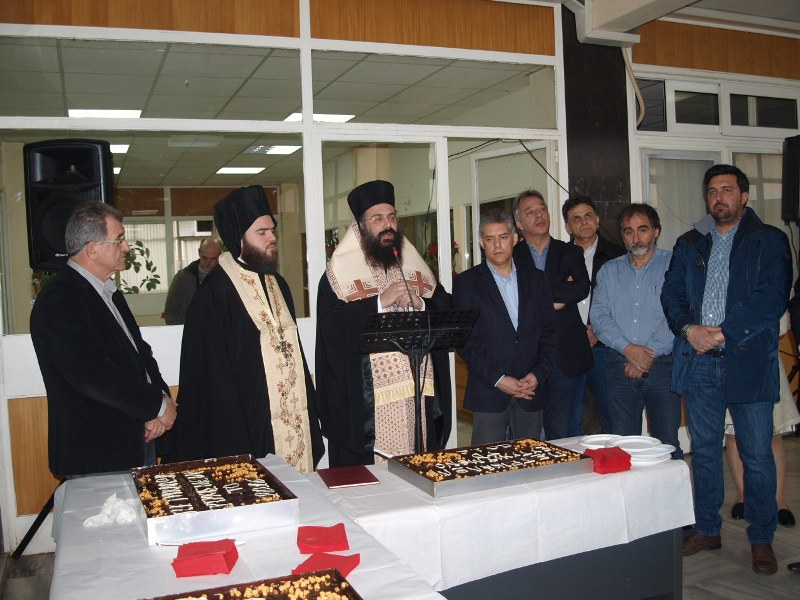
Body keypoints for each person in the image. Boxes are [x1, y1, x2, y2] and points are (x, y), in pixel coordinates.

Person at [662, 164, 791, 575]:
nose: (720, 197)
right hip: (699, 363)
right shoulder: (689, 243)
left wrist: (722, 333)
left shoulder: (769, 239)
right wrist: (689, 329)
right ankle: (707, 528)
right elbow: (671, 294)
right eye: (713, 191)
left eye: (728, 190)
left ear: (744, 196)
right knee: (703, 451)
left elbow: (772, 298)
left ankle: (762, 537)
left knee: (757, 454)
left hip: (747, 361)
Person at [167, 185, 324, 472]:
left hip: (290, 419)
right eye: (261, 232)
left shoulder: (278, 283)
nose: (272, 238)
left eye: (272, 230)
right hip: (246, 422)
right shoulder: (214, 293)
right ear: (238, 238)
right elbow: (210, 378)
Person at [30, 201, 177, 476]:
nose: (127, 247)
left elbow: (141, 356)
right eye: (119, 239)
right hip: (96, 452)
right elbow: (93, 374)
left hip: (138, 437)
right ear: (92, 249)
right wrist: (156, 406)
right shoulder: (60, 299)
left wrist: (160, 406)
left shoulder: (109, 292)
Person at [316, 179, 452, 467]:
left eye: (391, 217)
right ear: (360, 226)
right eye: (377, 218)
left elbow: (447, 309)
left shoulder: (413, 266)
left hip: (417, 397)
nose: (387, 225)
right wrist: (378, 303)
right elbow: (332, 329)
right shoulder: (337, 276)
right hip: (369, 404)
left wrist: (422, 304)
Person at [453, 210, 556, 444]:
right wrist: (499, 379)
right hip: (489, 390)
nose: (497, 245)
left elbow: (549, 333)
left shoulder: (537, 279)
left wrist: (538, 375)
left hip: (530, 390)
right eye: (490, 239)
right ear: (481, 243)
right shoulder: (466, 283)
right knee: (487, 462)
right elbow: (466, 342)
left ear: (515, 238)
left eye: (503, 237)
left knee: (529, 460)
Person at [590, 204, 682, 458]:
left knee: (667, 444)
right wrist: (629, 350)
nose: (636, 237)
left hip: (663, 367)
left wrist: (647, 355)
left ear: (656, 231)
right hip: (618, 366)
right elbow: (599, 317)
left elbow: (679, 314)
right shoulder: (609, 271)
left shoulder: (675, 265)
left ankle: (668, 487)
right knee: (623, 445)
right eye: (628, 232)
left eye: (643, 230)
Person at [512, 190, 592, 440]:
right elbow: (511, 296)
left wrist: (535, 297)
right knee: (526, 435)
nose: (539, 215)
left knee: (564, 432)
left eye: (542, 209)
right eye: (530, 212)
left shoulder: (570, 252)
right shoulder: (512, 256)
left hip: (566, 355)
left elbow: (581, 287)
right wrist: (555, 295)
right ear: (519, 223)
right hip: (525, 358)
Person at [562, 196, 625, 434]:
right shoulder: (559, 257)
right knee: (569, 418)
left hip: (606, 348)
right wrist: (579, 330)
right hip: (570, 347)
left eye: (588, 216)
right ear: (568, 227)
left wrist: (597, 328)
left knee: (612, 415)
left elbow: (624, 302)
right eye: (576, 219)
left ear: (597, 220)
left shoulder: (618, 256)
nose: (584, 222)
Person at [163, 237, 223, 324]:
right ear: (199, 252)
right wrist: (179, 329)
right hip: (187, 329)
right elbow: (170, 311)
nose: (207, 263)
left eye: (213, 259)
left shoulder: (228, 277)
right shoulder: (182, 277)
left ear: (220, 255)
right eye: (204, 257)